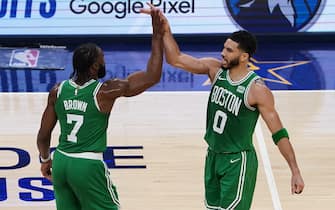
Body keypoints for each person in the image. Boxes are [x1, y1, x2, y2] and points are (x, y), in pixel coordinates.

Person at [141, 6, 305, 210]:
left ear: (244, 56)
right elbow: (176, 59)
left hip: (237, 161)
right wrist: (165, 29)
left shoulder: (256, 90)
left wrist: (295, 170)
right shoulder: (215, 69)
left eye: (229, 50)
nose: (222, 53)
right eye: (224, 48)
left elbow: (279, 133)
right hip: (213, 156)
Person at [36, 8, 164, 210]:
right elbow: (152, 76)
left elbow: (43, 135)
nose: (105, 60)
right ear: (95, 66)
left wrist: (45, 160)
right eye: (102, 58)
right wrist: (157, 36)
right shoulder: (104, 91)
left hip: (61, 161)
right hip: (87, 165)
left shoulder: (57, 91)